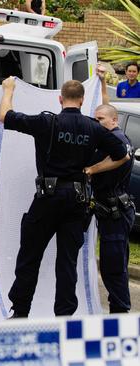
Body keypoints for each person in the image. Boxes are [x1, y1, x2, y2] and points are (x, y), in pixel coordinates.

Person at [0, 77, 129, 317]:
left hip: (47, 198)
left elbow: (5, 117)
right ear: (81, 101)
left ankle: (20, 312)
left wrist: (8, 90)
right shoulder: (93, 127)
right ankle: (65, 316)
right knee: (67, 262)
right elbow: (122, 155)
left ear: (60, 99)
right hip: (76, 201)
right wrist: (91, 170)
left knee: (30, 257)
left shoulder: (46, 122)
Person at [84, 71, 135, 313]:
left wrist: (92, 169)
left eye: (101, 119)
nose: (97, 121)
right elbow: (106, 107)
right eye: (95, 118)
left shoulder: (119, 139)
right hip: (110, 211)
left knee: (114, 268)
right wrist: (103, 83)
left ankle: (120, 314)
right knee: (115, 266)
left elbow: (122, 157)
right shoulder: (108, 133)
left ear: (113, 121)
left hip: (116, 212)